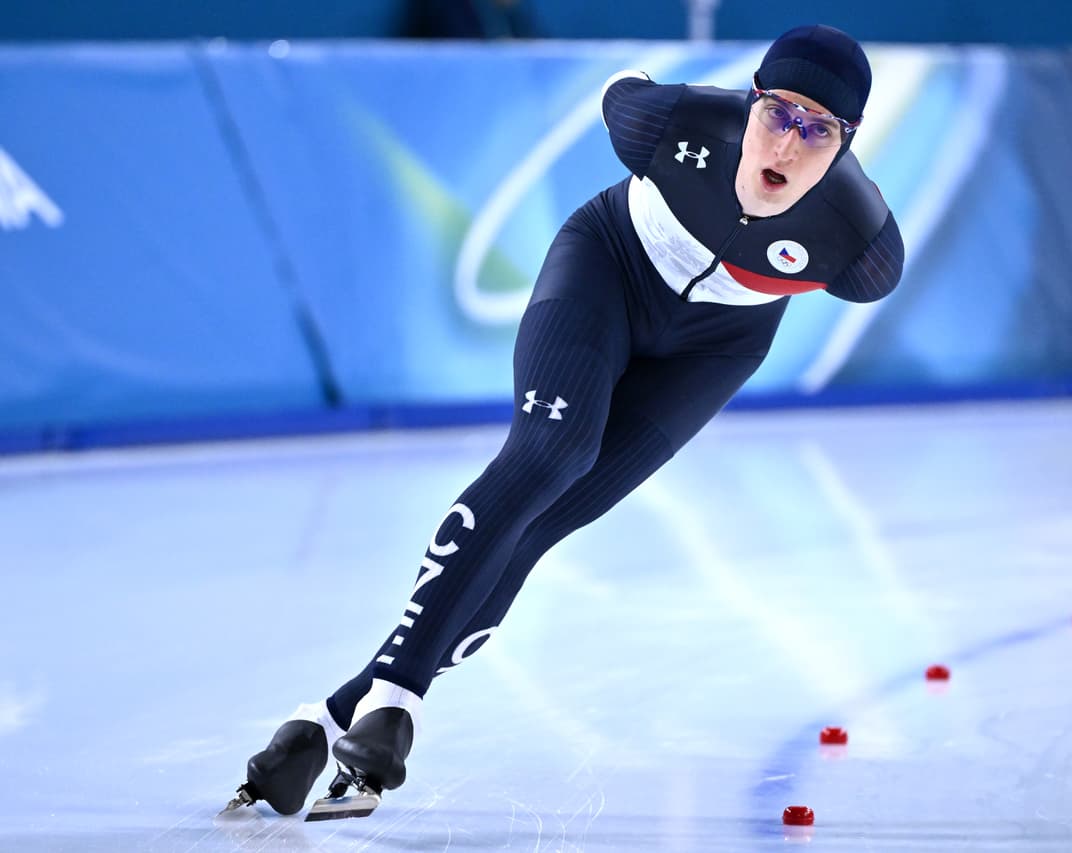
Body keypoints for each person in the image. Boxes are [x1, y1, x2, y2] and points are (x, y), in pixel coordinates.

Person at [223, 23, 903, 819]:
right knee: (550, 453)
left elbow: (868, 267)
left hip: (716, 346)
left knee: (541, 524)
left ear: (847, 144)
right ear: (750, 102)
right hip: (609, 264)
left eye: (818, 128)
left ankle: (323, 721)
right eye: (778, 112)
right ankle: (397, 700)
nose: (788, 143)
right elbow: (623, 90)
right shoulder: (673, 123)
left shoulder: (860, 245)